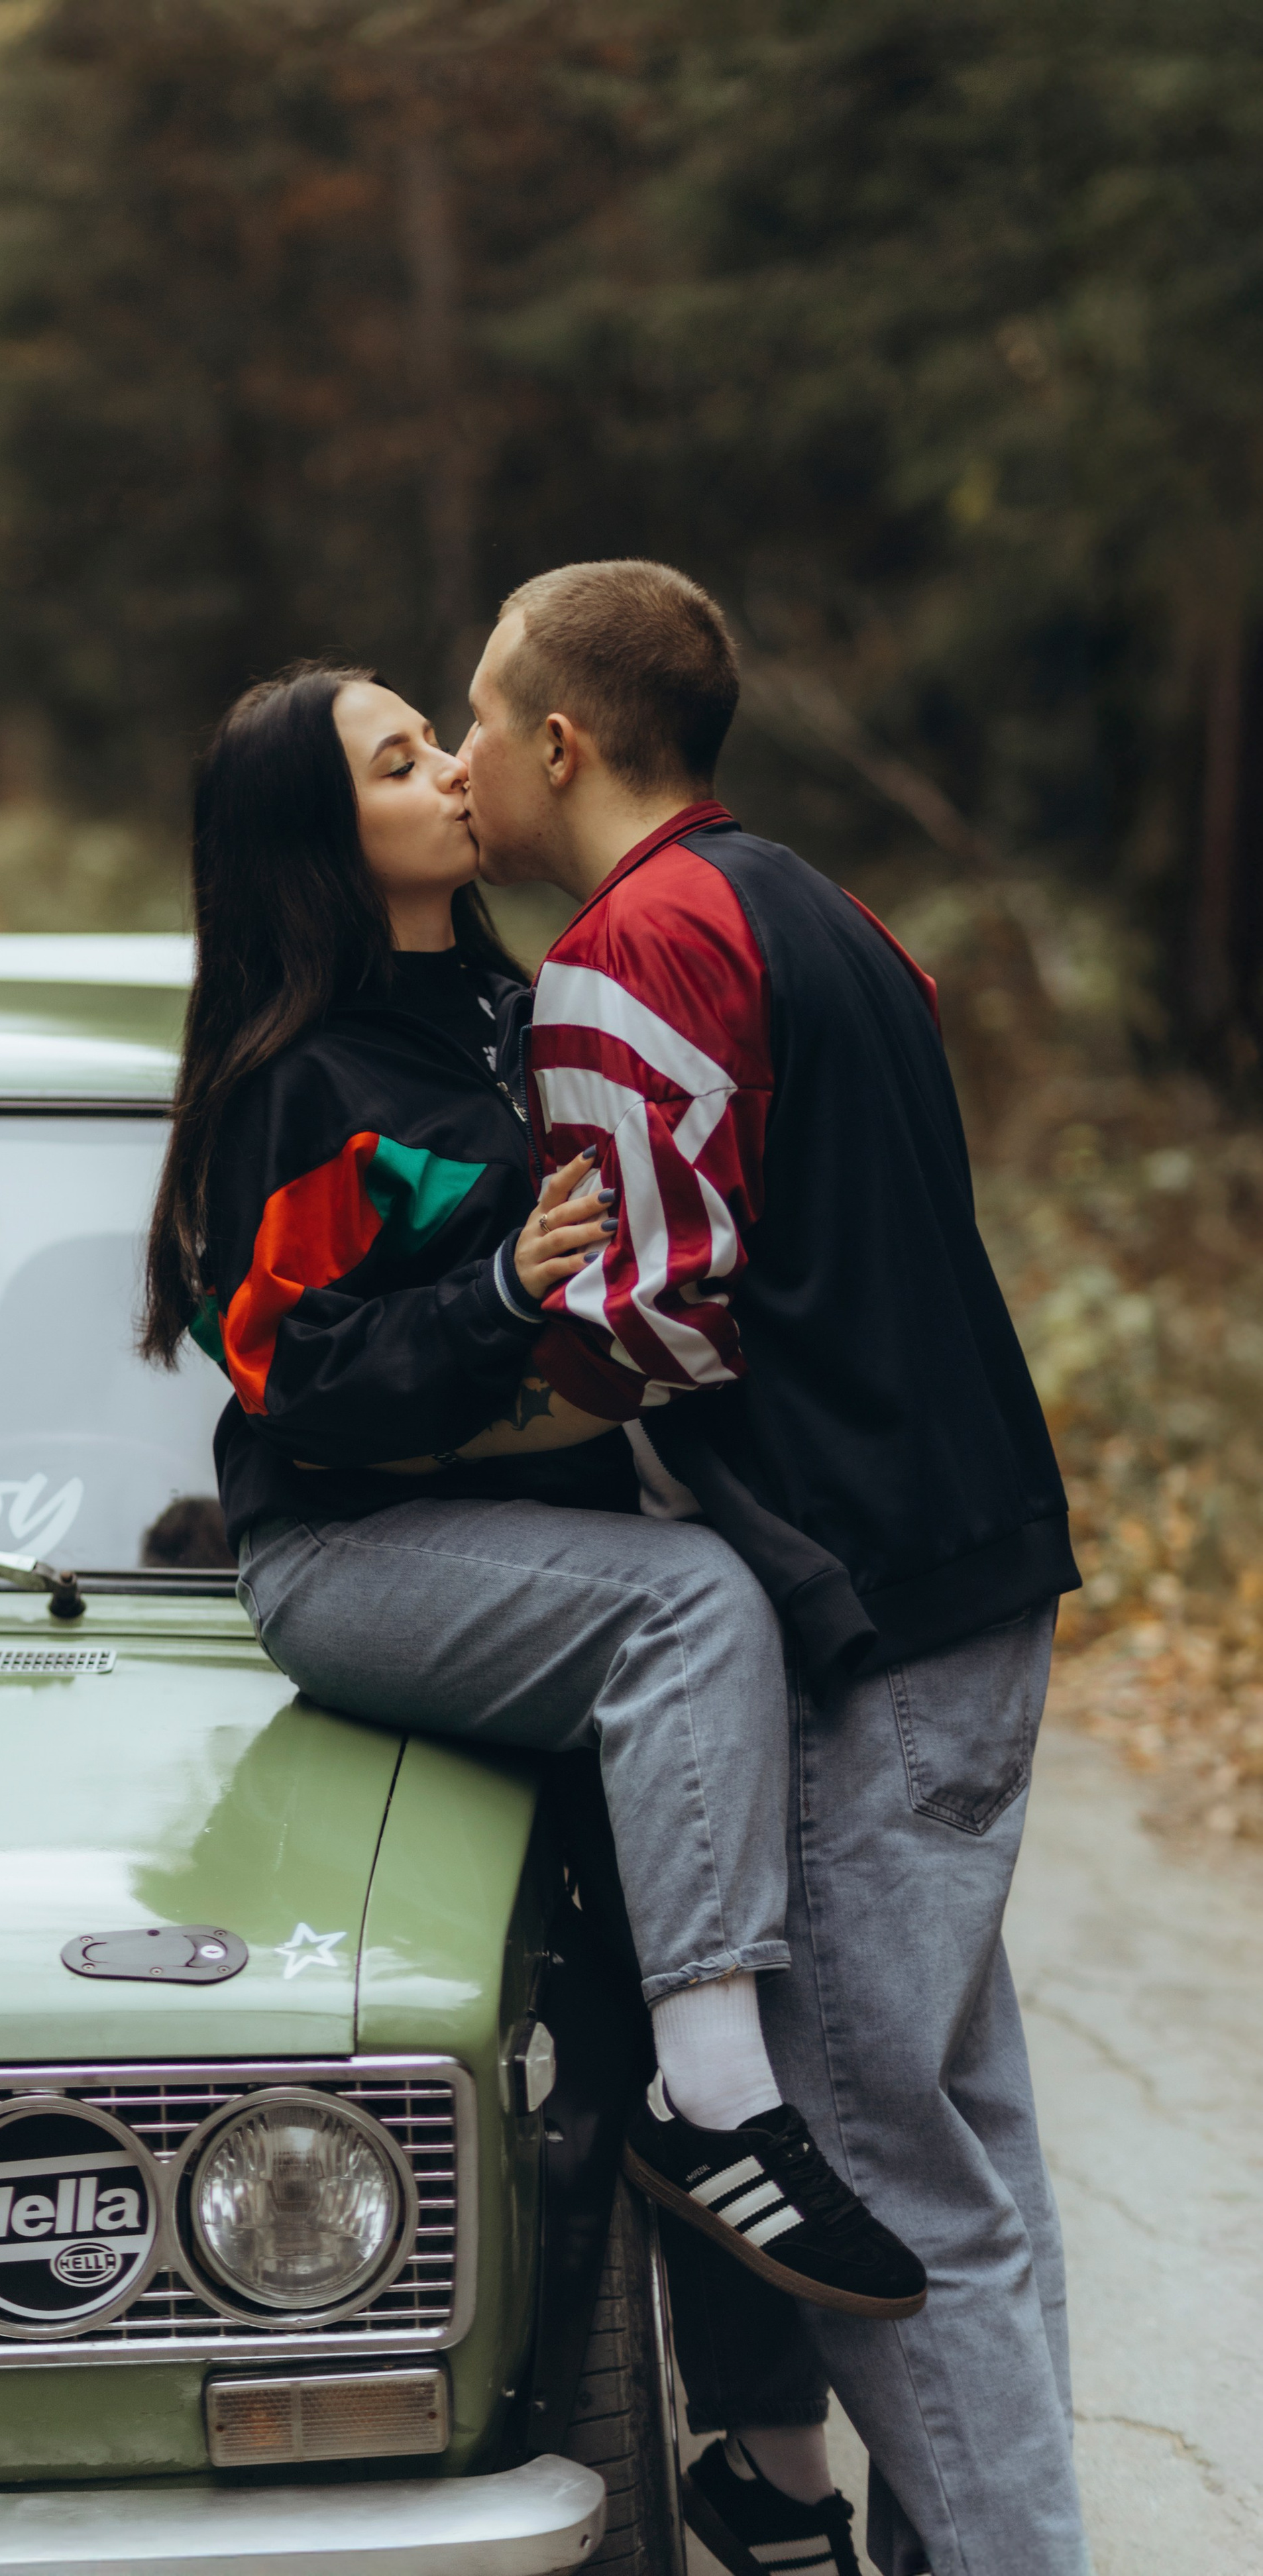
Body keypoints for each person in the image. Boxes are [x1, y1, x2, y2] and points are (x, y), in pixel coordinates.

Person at [143, 659, 926, 2345]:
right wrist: (498, 1290)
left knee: (674, 1985)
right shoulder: (300, 1085)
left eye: (440, 739)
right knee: (695, 1605)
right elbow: (299, 1378)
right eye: (397, 760)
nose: (450, 771)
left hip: (546, 1551)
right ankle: (715, 2108)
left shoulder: (521, 1022)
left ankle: (772, 2471)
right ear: (314, 836)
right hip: (348, 1560)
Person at [460, 559, 1088, 2576]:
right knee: (963, 2148)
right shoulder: (838, 918)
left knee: (873, 2167)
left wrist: (424, 1421)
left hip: (859, 1625)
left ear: (559, 741)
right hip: (976, 1577)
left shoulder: (625, 954)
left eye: (476, 717)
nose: (462, 758)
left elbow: (653, 1315)